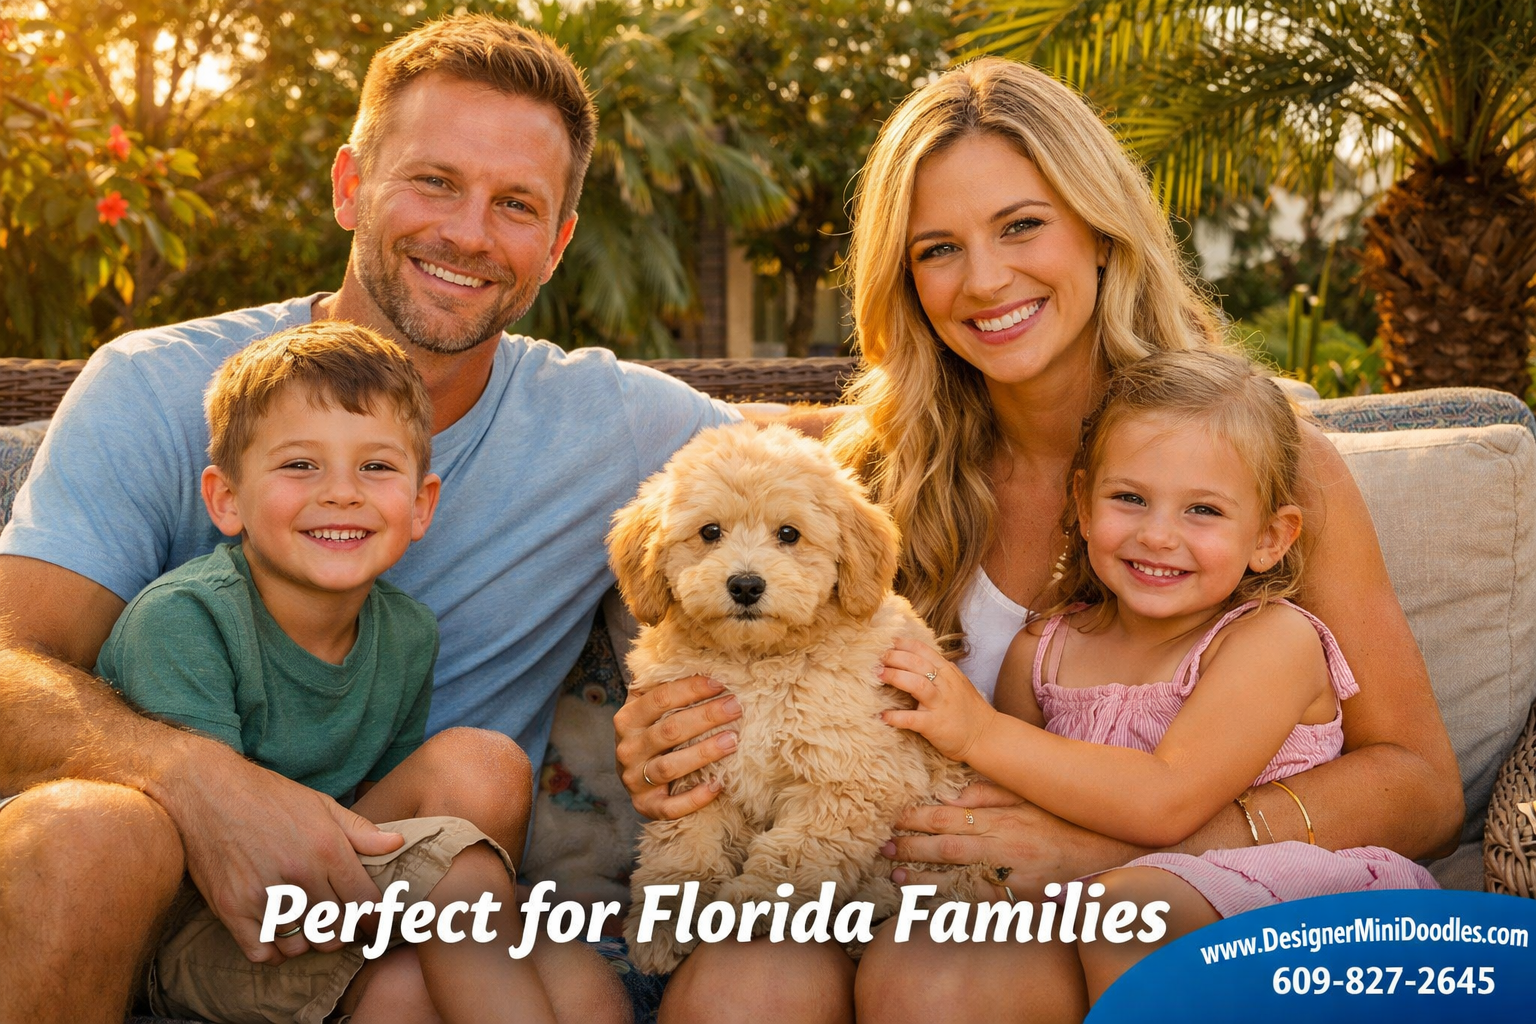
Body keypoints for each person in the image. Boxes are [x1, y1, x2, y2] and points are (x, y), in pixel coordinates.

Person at [611, 58, 1463, 1022]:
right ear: (906, 277)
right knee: (740, 988)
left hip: (1103, 905)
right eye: (938, 248)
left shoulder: (1255, 465)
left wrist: (1146, 846)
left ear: (1102, 233)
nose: (985, 280)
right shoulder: (860, 474)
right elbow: (695, 523)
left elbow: (1423, 787)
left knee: (945, 982)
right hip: (882, 880)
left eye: (1022, 225)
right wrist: (670, 739)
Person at [0, 14, 772, 1024]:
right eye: (434, 181)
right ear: (349, 184)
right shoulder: (158, 388)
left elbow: (818, 467)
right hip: (133, 883)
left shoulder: (614, 426)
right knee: (92, 832)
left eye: (515, 204)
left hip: (383, 911)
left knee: (488, 812)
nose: (467, 232)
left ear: (557, 243)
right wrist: (195, 780)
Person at [879, 348, 1438, 1012]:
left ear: (1270, 537)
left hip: (1272, 903)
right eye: (1130, 498)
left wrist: (977, 729)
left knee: (1134, 903)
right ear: (1083, 505)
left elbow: (1166, 799)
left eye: (1202, 510)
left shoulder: (1269, 641)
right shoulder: (1044, 651)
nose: (1158, 534)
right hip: (1089, 903)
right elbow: (1018, 805)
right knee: (922, 947)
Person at [97, 322, 557, 1024]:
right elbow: (216, 838)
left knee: (490, 781)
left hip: (324, 891)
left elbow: (386, 805)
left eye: (375, 467)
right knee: (446, 922)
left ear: (421, 504)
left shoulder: (406, 632)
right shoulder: (185, 623)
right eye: (300, 465)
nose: (341, 493)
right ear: (224, 499)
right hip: (196, 930)